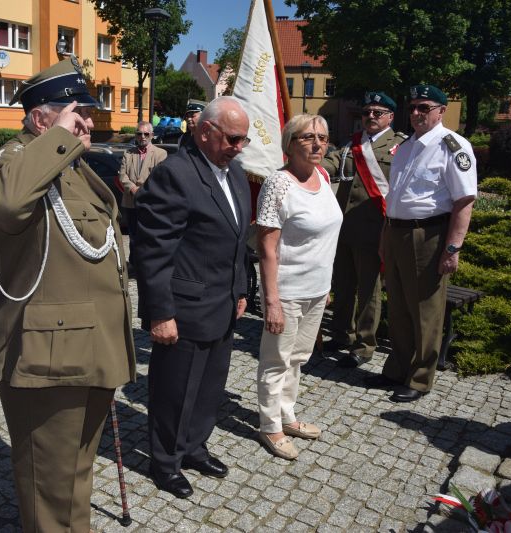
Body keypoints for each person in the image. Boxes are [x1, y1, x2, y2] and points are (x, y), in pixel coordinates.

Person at [0, 58, 136, 532]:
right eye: (75, 112)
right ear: (41, 117)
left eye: (87, 113)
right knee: (50, 489)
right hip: (47, 359)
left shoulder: (73, 167)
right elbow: (6, 202)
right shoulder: (12, 161)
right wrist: (60, 139)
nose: (88, 121)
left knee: (75, 477)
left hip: (90, 348)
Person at [135, 96, 251, 499]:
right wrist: (160, 313)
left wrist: (240, 290)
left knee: (209, 388)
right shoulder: (176, 175)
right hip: (183, 309)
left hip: (221, 303)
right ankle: (165, 462)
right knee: (174, 390)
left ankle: (194, 447)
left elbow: (238, 241)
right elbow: (152, 250)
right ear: (206, 131)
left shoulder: (235, 174)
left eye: (244, 141)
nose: (239, 147)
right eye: (233, 139)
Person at [370, 84, 477, 402]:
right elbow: (395, 198)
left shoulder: (453, 146)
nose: (416, 113)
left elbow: (464, 202)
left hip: (428, 236)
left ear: (442, 111)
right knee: (399, 306)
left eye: (424, 107)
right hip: (397, 232)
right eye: (413, 107)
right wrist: (384, 238)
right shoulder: (405, 147)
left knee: (426, 310)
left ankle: (419, 378)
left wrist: (452, 248)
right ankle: (398, 368)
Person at [256, 115, 343, 460]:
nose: (317, 144)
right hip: (287, 290)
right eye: (308, 137)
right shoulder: (278, 184)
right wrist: (272, 301)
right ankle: (269, 425)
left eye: (323, 137)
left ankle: (287, 414)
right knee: (276, 359)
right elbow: (266, 247)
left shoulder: (322, 176)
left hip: (317, 289)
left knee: (298, 358)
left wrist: (326, 285)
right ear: (290, 143)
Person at [322, 92, 407, 368]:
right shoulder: (351, 144)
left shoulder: (401, 147)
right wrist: (306, 162)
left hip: (375, 230)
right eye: (367, 112)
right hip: (344, 228)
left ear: (390, 117)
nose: (370, 116)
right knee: (343, 286)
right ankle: (341, 334)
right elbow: (331, 163)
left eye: (378, 112)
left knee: (368, 292)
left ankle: (364, 344)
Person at [118, 120, 167, 265]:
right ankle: (134, 264)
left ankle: (148, 264)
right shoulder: (128, 153)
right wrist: (133, 188)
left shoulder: (160, 153)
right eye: (139, 134)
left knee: (148, 236)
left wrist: (143, 190)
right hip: (130, 202)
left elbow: (159, 178)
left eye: (146, 134)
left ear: (152, 135)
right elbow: (122, 175)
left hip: (150, 203)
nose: (143, 137)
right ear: (136, 135)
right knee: (133, 237)